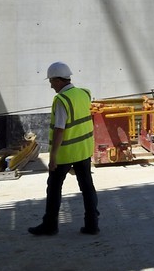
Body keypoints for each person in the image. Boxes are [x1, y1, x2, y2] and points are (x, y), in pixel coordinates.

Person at [28, 61, 100, 236]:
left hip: (65, 153)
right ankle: (92, 225)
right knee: (87, 188)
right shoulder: (84, 94)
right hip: (83, 150)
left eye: (51, 81)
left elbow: (60, 129)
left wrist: (53, 158)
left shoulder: (61, 100)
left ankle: (50, 225)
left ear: (59, 80)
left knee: (53, 188)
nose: (51, 85)